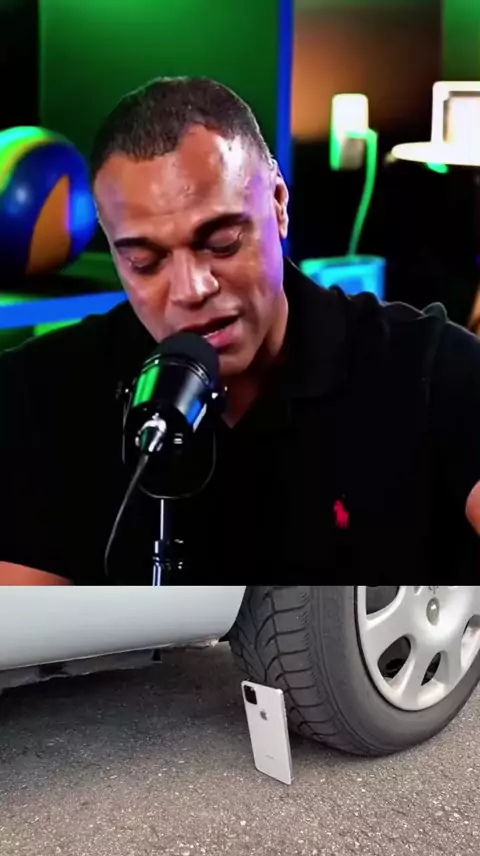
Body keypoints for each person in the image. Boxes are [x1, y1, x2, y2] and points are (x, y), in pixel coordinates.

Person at [1, 75, 480, 586]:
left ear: (278, 203)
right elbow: (28, 628)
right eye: (145, 261)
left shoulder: (431, 368)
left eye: (222, 242)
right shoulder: (40, 392)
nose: (191, 289)